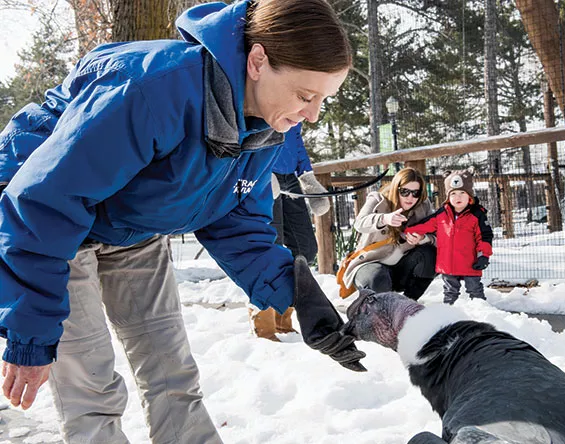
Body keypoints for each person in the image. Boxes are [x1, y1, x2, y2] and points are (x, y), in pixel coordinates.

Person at [0, 1, 365, 443]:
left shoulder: (266, 128)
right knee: (91, 387)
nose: (313, 115)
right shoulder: (151, 91)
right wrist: (31, 333)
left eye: (323, 99)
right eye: (305, 96)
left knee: (172, 374)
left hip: (130, 222)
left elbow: (236, 223)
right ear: (257, 61)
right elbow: (44, 202)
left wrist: (303, 300)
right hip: (49, 224)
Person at [249, 122, 329, 341]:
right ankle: (264, 322)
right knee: (270, 249)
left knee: (305, 249)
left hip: (289, 177)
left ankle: (284, 314)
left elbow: (296, 141)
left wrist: (307, 176)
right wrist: (258, 167)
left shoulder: (299, 103)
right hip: (264, 172)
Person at [341, 167, 438, 301]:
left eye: (415, 193)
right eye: (405, 192)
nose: (410, 198)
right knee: (378, 278)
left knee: (430, 254)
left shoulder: (423, 206)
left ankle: (408, 303)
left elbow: (439, 236)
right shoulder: (378, 199)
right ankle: (374, 308)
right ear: (396, 189)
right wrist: (384, 219)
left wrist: (424, 238)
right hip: (371, 263)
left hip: (402, 267)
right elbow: (359, 223)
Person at [404, 168, 493, 304]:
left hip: (470, 263)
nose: (458, 197)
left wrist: (484, 255)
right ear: (448, 196)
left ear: (469, 195)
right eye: (454, 194)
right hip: (448, 264)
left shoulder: (477, 215)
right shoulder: (442, 214)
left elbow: (485, 236)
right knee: (450, 292)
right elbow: (426, 225)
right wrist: (407, 230)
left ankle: (481, 312)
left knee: (475, 290)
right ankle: (449, 313)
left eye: (462, 193)